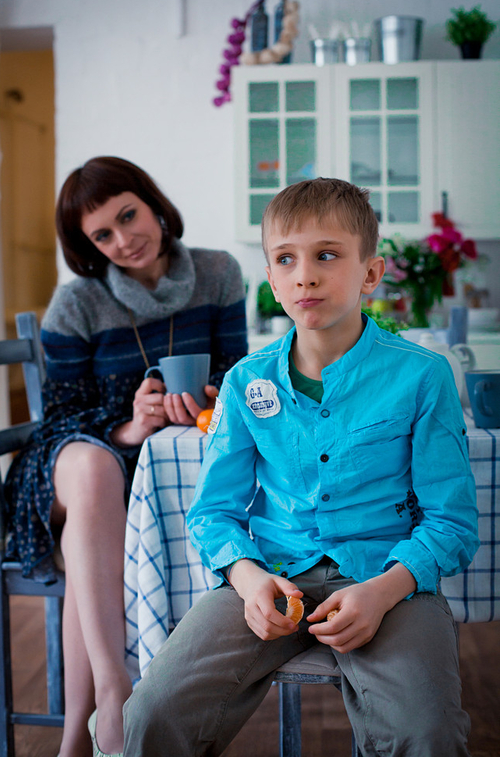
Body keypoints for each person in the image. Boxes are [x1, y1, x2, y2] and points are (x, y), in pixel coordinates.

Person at [123, 178, 479, 757]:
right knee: (150, 713)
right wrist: (248, 579)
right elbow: (213, 512)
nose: (304, 276)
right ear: (271, 279)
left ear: (370, 273)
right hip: (271, 574)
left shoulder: (423, 375)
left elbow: (452, 523)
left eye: (327, 255)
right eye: (286, 259)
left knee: (427, 735)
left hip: (388, 579)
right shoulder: (245, 382)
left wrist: (382, 592)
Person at [3, 156, 248, 757]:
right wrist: (129, 427)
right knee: (93, 471)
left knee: (91, 542)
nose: (123, 239)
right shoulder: (77, 303)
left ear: (153, 203)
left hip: (154, 472)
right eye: (102, 235)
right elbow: (60, 416)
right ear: (88, 247)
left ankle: (76, 738)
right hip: (75, 464)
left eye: (128, 216)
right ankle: (116, 691)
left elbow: (241, 374)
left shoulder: (218, 273)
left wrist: (207, 400)